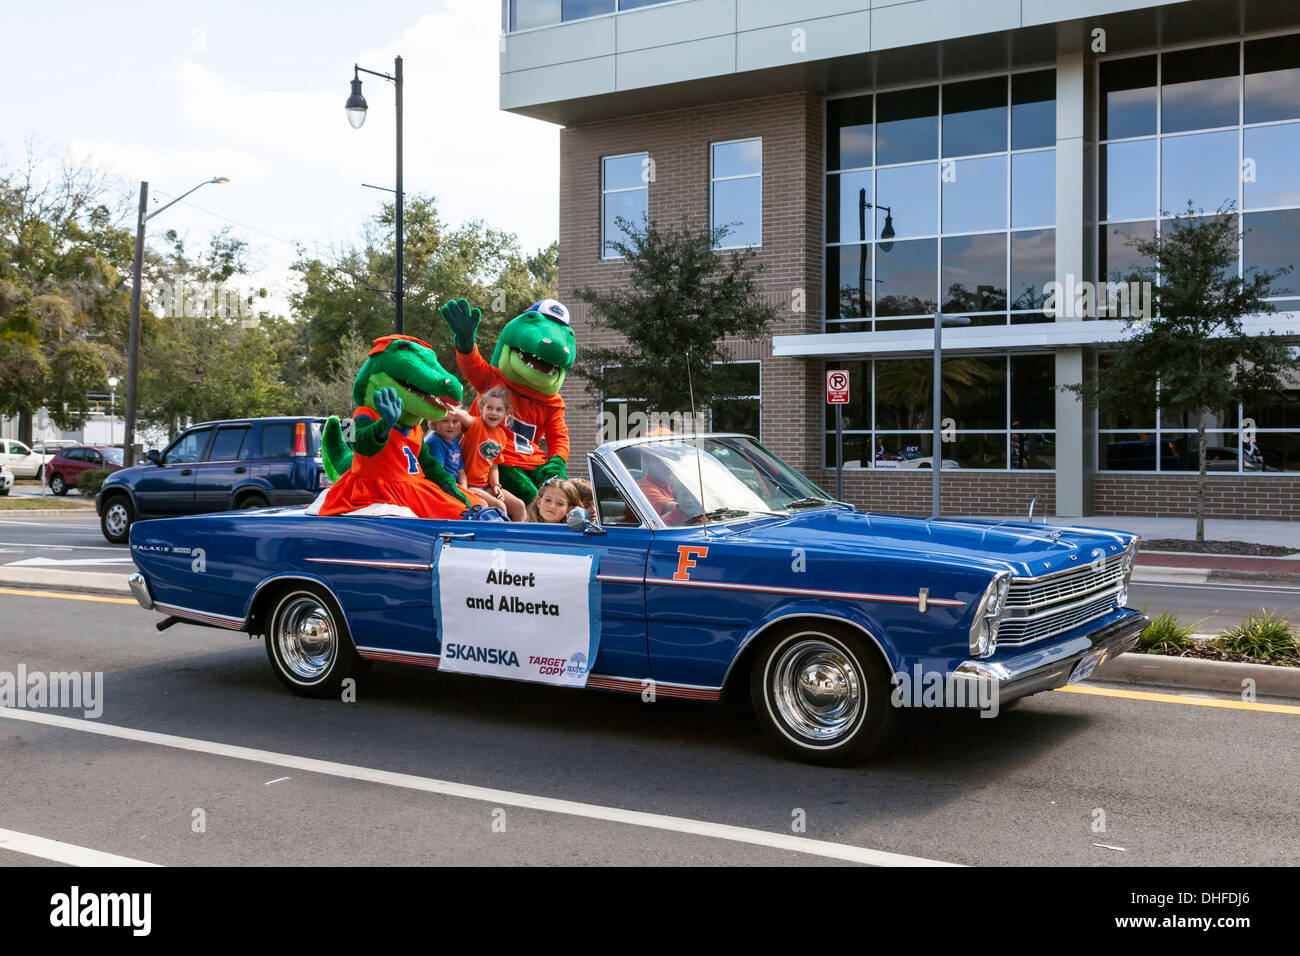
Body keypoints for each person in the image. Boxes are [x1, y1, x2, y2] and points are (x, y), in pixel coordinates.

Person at [455, 387, 526, 521]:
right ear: (482, 408)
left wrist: (496, 485)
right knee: (500, 507)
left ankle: (516, 539)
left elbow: (493, 465)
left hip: (485, 485)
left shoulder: (501, 435)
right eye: (489, 408)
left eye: (499, 409)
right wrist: (453, 410)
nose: (493, 412)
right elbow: (464, 417)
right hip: (466, 485)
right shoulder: (476, 425)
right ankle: (499, 539)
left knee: (519, 506)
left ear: (506, 413)